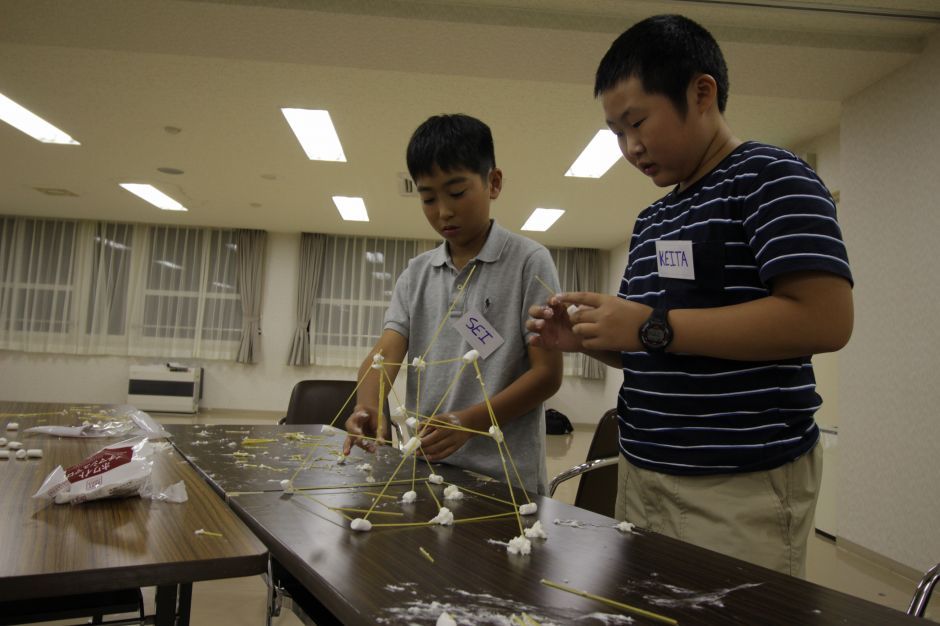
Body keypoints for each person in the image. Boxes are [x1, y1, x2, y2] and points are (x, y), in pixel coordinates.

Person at [527, 15, 853, 576]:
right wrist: (586, 339)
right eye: (616, 134)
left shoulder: (771, 176)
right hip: (642, 470)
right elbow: (650, 344)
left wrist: (653, 326)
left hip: (738, 483)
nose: (630, 147)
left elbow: (825, 319)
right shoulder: (655, 216)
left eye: (637, 123)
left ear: (701, 93)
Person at [344, 113, 563, 495]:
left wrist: (470, 421)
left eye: (457, 193)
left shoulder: (529, 261)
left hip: (505, 481)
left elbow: (547, 375)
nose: (443, 211)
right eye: (428, 198)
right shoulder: (417, 274)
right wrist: (368, 405)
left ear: (493, 183)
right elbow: (385, 353)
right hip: (426, 469)